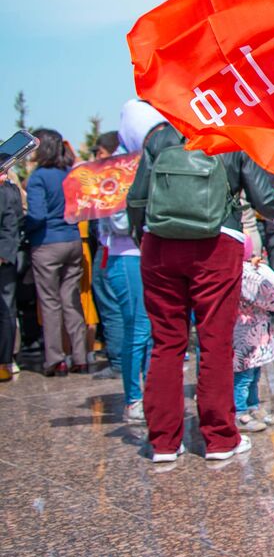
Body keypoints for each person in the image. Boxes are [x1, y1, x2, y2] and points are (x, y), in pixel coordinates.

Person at [127, 120, 274, 464]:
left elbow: (137, 196)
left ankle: (163, 443)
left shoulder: (160, 135)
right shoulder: (233, 132)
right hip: (217, 242)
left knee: (166, 343)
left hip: (161, 242)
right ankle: (219, 439)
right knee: (215, 342)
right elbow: (263, 196)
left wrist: (140, 235)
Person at [104, 100, 160, 425]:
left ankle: (150, 392)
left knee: (153, 331)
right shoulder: (116, 166)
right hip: (127, 255)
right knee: (138, 328)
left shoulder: (151, 158)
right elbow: (118, 222)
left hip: (151, 253)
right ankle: (133, 398)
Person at [23, 128, 89, 377]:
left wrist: (26, 228)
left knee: (50, 303)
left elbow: (37, 215)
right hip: (72, 241)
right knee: (71, 300)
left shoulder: (39, 177)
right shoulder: (69, 173)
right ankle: (80, 357)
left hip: (47, 243)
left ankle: (56, 359)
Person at [233, 236, 274, 432]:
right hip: (246, 336)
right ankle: (239, 412)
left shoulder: (240, 271)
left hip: (254, 335)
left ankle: (253, 406)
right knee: (243, 377)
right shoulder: (247, 275)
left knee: (253, 373)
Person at [88, 131, 124, 379]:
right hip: (127, 249)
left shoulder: (112, 175)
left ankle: (118, 361)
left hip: (111, 248)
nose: (97, 158)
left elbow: (116, 221)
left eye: (99, 153)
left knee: (112, 308)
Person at [0, 169, 21, 382]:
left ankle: (4, 360)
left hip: (3, 261)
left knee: (5, 309)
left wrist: (3, 255)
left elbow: (11, 224)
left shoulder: (6, 191)